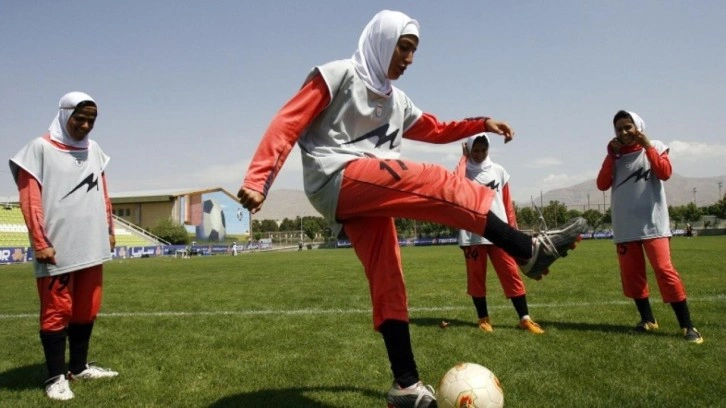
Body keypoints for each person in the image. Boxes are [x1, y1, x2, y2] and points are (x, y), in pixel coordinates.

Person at [237, 10, 586, 407]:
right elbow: (288, 122)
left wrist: (482, 122)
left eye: (414, 51)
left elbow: (436, 129)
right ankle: (525, 248)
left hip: (368, 191)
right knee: (433, 181)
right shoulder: (336, 75)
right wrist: (258, 178)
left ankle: (405, 385)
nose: (409, 59)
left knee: (390, 277)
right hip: (337, 176)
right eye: (404, 48)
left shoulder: (397, 100)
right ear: (383, 42)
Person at [8, 91, 119, 401]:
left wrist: (109, 229)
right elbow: (30, 200)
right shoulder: (38, 150)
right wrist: (40, 242)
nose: (85, 125)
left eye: (91, 121)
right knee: (57, 311)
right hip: (57, 248)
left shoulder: (94, 150)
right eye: (80, 118)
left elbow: (103, 193)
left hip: (91, 244)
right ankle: (55, 377)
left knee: (86, 308)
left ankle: (79, 367)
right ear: (64, 114)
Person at [596, 110, 703, 344]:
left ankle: (688, 326)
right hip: (625, 228)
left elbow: (665, 173)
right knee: (633, 276)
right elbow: (602, 184)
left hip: (653, 225)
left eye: (628, 127)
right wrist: (610, 156)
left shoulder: (655, 146)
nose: (624, 132)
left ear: (639, 127)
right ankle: (648, 320)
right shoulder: (615, 156)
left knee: (665, 272)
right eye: (619, 129)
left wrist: (648, 147)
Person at [455, 134, 544, 334]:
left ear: (488, 150)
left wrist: (514, 233)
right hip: (472, 235)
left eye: (483, 150)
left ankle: (525, 318)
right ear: (468, 149)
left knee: (511, 274)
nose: (479, 154)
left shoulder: (499, 171)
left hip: (501, 234)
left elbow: (507, 204)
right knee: (476, 278)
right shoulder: (464, 172)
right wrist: (463, 159)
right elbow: (455, 185)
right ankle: (483, 319)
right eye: (475, 150)